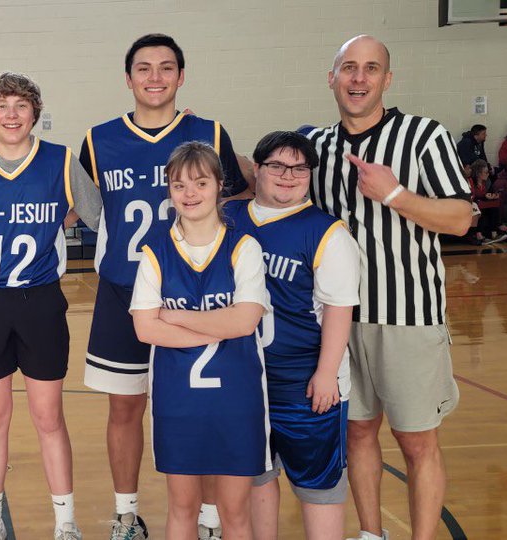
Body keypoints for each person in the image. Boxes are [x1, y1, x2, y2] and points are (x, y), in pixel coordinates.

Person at [77, 33, 250, 540]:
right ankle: (127, 515)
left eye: (166, 67)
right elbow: (69, 206)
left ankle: (210, 519)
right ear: (128, 78)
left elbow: (240, 197)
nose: (155, 77)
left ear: (181, 76)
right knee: (125, 407)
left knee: (205, 406)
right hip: (124, 290)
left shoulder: (209, 133)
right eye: (144, 68)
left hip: (197, 293)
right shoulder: (97, 140)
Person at [306, 35, 473, 540]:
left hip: (407, 316)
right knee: (357, 434)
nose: (359, 78)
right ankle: (370, 534)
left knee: (417, 442)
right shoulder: (318, 148)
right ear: (331, 77)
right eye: (349, 68)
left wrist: (395, 193)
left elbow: (460, 218)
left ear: (387, 79)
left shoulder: (424, 136)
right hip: (338, 322)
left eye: (371, 68)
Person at [0, 71, 101, 540]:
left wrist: (60, 218)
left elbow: (96, 213)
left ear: (35, 113)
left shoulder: (61, 160)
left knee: (49, 417)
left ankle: (65, 523)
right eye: (1, 106)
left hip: (40, 301)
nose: (11, 115)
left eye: (21, 106)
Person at [223, 131, 360, 540]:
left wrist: (327, 373)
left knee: (319, 487)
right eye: (278, 166)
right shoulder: (229, 217)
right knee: (256, 478)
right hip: (246, 381)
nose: (288, 176)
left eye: (300, 168)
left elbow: (339, 309)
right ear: (257, 169)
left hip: (305, 384)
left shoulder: (327, 232)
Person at [129, 141, 269, 540]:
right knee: (182, 508)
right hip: (178, 401)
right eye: (179, 185)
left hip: (237, 400)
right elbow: (145, 329)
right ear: (169, 191)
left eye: (200, 183)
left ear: (220, 185)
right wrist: (218, 323)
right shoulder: (155, 251)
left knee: (235, 511)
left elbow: (245, 322)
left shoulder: (244, 247)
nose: (190, 194)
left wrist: (175, 316)